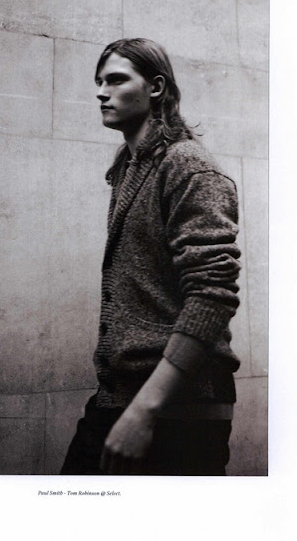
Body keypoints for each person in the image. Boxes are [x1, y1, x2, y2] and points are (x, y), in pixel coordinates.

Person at [60, 38, 241, 476]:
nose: (101, 92)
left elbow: (212, 296)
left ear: (156, 87)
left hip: (179, 412)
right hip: (122, 397)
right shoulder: (131, 167)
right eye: (99, 82)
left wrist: (143, 411)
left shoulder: (188, 166)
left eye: (116, 80)